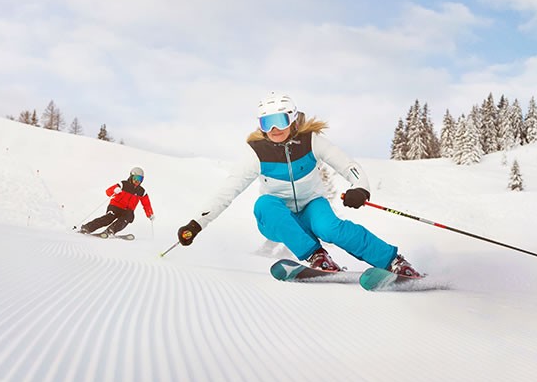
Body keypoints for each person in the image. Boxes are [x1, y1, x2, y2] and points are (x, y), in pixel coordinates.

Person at [176, 93, 420, 276]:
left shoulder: (311, 141)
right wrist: (197, 223)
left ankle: (393, 261)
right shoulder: (256, 153)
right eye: (266, 123)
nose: (273, 129)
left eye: (279, 121)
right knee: (265, 204)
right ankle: (317, 256)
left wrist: (360, 188)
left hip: (312, 205)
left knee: (330, 228)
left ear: (291, 119)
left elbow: (348, 165)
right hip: (278, 217)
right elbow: (226, 192)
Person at [79, 166, 154, 236]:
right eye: (136, 178)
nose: (137, 181)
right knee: (108, 218)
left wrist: (150, 214)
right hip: (115, 207)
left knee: (129, 217)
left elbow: (146, 204)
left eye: (140, 179)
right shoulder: (123, 184)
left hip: (127, 211)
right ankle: (87, 227)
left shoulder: (141, 191)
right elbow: (108, 192)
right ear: (131, 176)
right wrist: (114, 190)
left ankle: (111, 230)